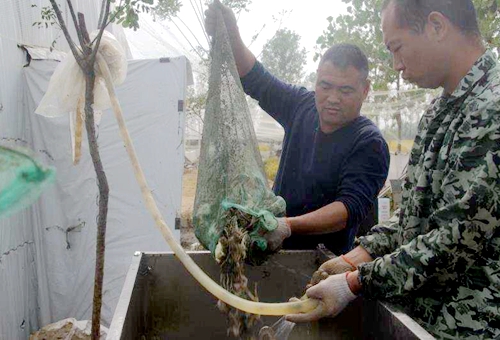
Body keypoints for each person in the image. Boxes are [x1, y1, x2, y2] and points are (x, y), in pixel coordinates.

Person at [286, 1, 500, 338]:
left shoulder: (492, 109)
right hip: (426, 321)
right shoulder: (440, 113)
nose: (396, 65)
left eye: (396, 47)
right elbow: (412, 215)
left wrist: (355, 282)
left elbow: (453, 241)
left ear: (437, 26)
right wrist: (355, 258)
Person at [205, 1, 390, 256]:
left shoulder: (369, 143)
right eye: (325, 86)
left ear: (365, 90)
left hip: (323, 263)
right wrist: (230, 33)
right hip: (272, 250)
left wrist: (286, 226)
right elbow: (256, 79)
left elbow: (347, 210)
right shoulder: (302, 106)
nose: (333, 98)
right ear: (316, 80)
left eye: (345, 90)